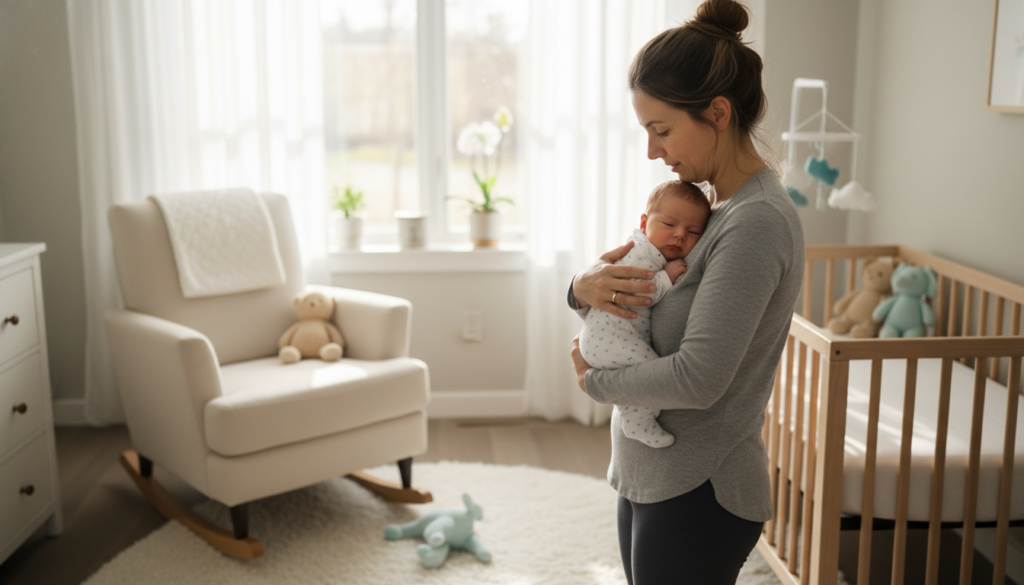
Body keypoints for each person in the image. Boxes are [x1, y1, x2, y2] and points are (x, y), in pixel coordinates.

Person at [567, 0, 805, 583]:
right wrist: (579, 289)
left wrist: (594, 382)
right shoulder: (709, 213)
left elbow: (698, 379)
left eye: (662, 129)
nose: (653, 151)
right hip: (654, 471)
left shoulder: (755, 223)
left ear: (718, 112)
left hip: (701, 486)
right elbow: (639, 294)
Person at [578, 180, 710, 448]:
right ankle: (637, 421)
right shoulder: (643, 254)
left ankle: (635, 417)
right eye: (669, 225)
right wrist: (667, 278)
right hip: (610, 339)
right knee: (649, 375)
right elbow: (638, 294)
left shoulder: (650, 252)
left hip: (608, 338)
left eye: (694, 231)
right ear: (644, 222)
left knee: (645, 374)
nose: (680, 235)